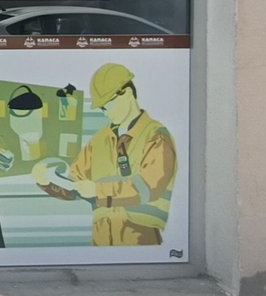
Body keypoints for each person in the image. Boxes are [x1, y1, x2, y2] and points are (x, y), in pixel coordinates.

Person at [36, 62, 177, 246]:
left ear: (127, 93)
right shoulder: (98, 141)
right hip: (101, 238)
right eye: (101, 108)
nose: (105, 113)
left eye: (107, 105)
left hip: (140, 238)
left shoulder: (156, 136)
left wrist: (97, 190)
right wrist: (46, 182)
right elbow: (75, 185)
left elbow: (150, 186)